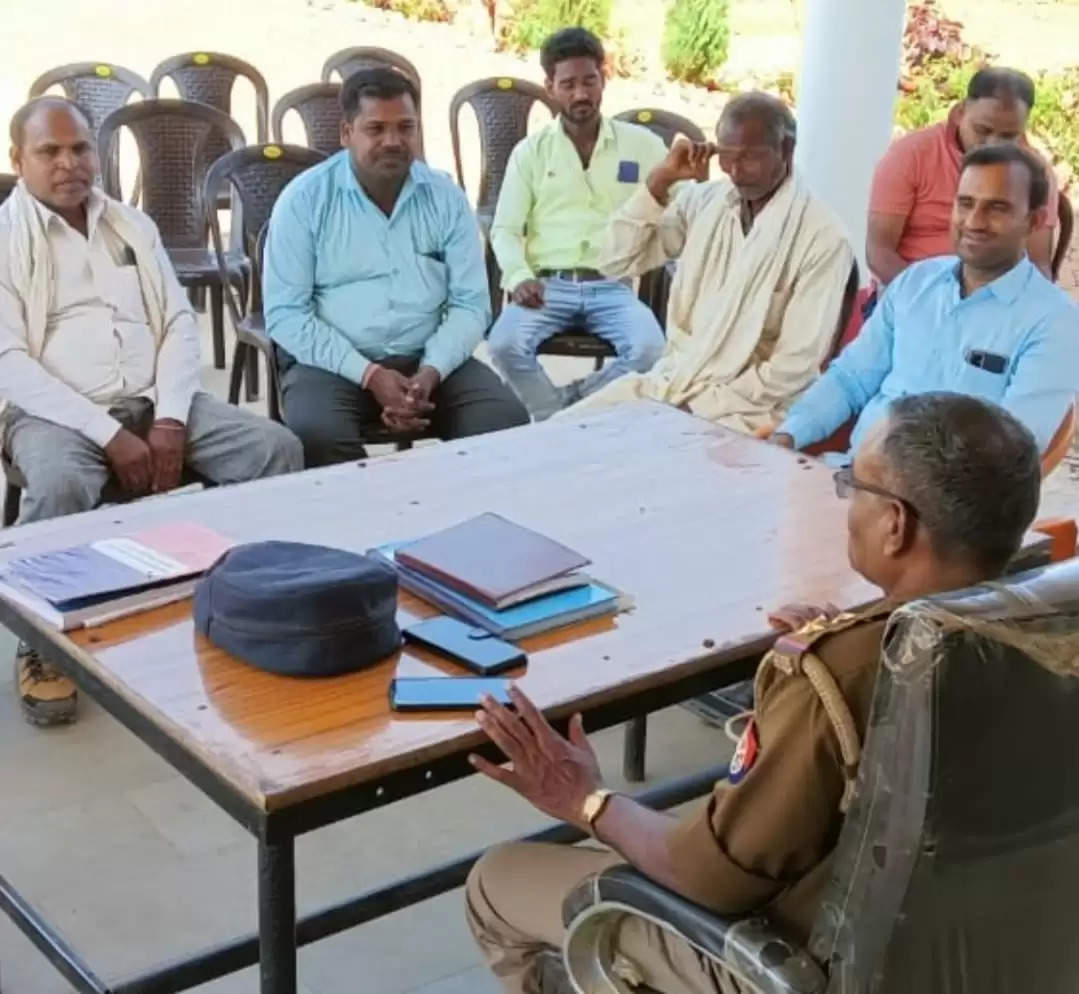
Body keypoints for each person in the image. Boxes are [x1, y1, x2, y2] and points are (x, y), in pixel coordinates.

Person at [466, 391, 1042, 994]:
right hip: (992, 954)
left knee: (497, 880)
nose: (845, 502)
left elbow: (714, 877)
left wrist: (584, 800)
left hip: (812, 965)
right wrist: (848, 640)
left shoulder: (841, 676)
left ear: (895, 525)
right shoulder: (1050, 628)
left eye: (853, 484)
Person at [0, 97, 303, 727]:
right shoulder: (6, 239)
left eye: (79, 149)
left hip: (156, 401)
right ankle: (44, 644)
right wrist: (110, 434)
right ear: (17, 159)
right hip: (55, 415)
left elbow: (178, 327)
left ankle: (246, 605)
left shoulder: (132, 225)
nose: (68, 164)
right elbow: (10, 362)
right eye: (48, 152)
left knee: (275, 450)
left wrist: (167, 420)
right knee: (59, 484)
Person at [264, 69, 528, 467]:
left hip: (429, 360)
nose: (393, 141)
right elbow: (286, 315)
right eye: (376, 128)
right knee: (317, 438)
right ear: (345, 132)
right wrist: (370, 375)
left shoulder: (446, 199)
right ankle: (364, 526)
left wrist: (430, 372)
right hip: (333, 363)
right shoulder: (304, 200)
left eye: (406, 127)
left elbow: (471, 305)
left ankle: (452, 517)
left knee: (504, 422)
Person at [563, 92, 855, 436]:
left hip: (751, 409)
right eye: (727, 157)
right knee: (561, 434)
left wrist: (699, 408)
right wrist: (660, 182)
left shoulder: (823, 237)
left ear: (787, 149)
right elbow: (616, 261)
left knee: (643, 466)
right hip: (673, 382)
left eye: (749, 158)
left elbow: (793, 368)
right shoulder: (705, 203)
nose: (735, 171)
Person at [774, 143, 1079, 461]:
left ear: (1033, 221)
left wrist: (901, 490)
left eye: (997, 208)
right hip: (850, 475)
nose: (974, 221)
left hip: (945, 501)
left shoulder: (1055, 322)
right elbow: (850, 379)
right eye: (965, 203)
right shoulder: (916, 282)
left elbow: (1012, 450)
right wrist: (788, 435)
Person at [486, 28, 668, 420]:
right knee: (502, 344)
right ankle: (568, 421)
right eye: (568, 84)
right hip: (546, 288)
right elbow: (504, 229)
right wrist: (518, 276)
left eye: (589, 80)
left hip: (613, 285)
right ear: (550, 87)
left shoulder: (643, 146)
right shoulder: (531, 152)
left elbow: (682, 206)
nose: (581, 94)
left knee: (653, 352)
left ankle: (566, 412)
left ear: (604, 78)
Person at [868, 67, 1059, 284]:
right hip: (912, 290)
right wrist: (932, 299)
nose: (993, 144)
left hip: (1001, 300)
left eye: (1008, 136)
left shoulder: (1035, 172)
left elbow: (1039, 264)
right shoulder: (911, 154)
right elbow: (879, 253)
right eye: (982, 130)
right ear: (959, 112)